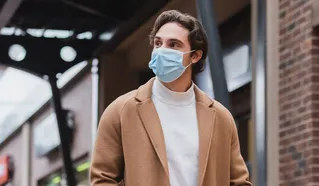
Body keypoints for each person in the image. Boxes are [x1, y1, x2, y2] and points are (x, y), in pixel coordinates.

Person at [90, 10, 252, 186]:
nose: (162, 51)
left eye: (173, 45)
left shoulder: (221, 117)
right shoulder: (121, 111)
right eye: (158, 43)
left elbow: (238, 181)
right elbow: (102, 178)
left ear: (195, 55)